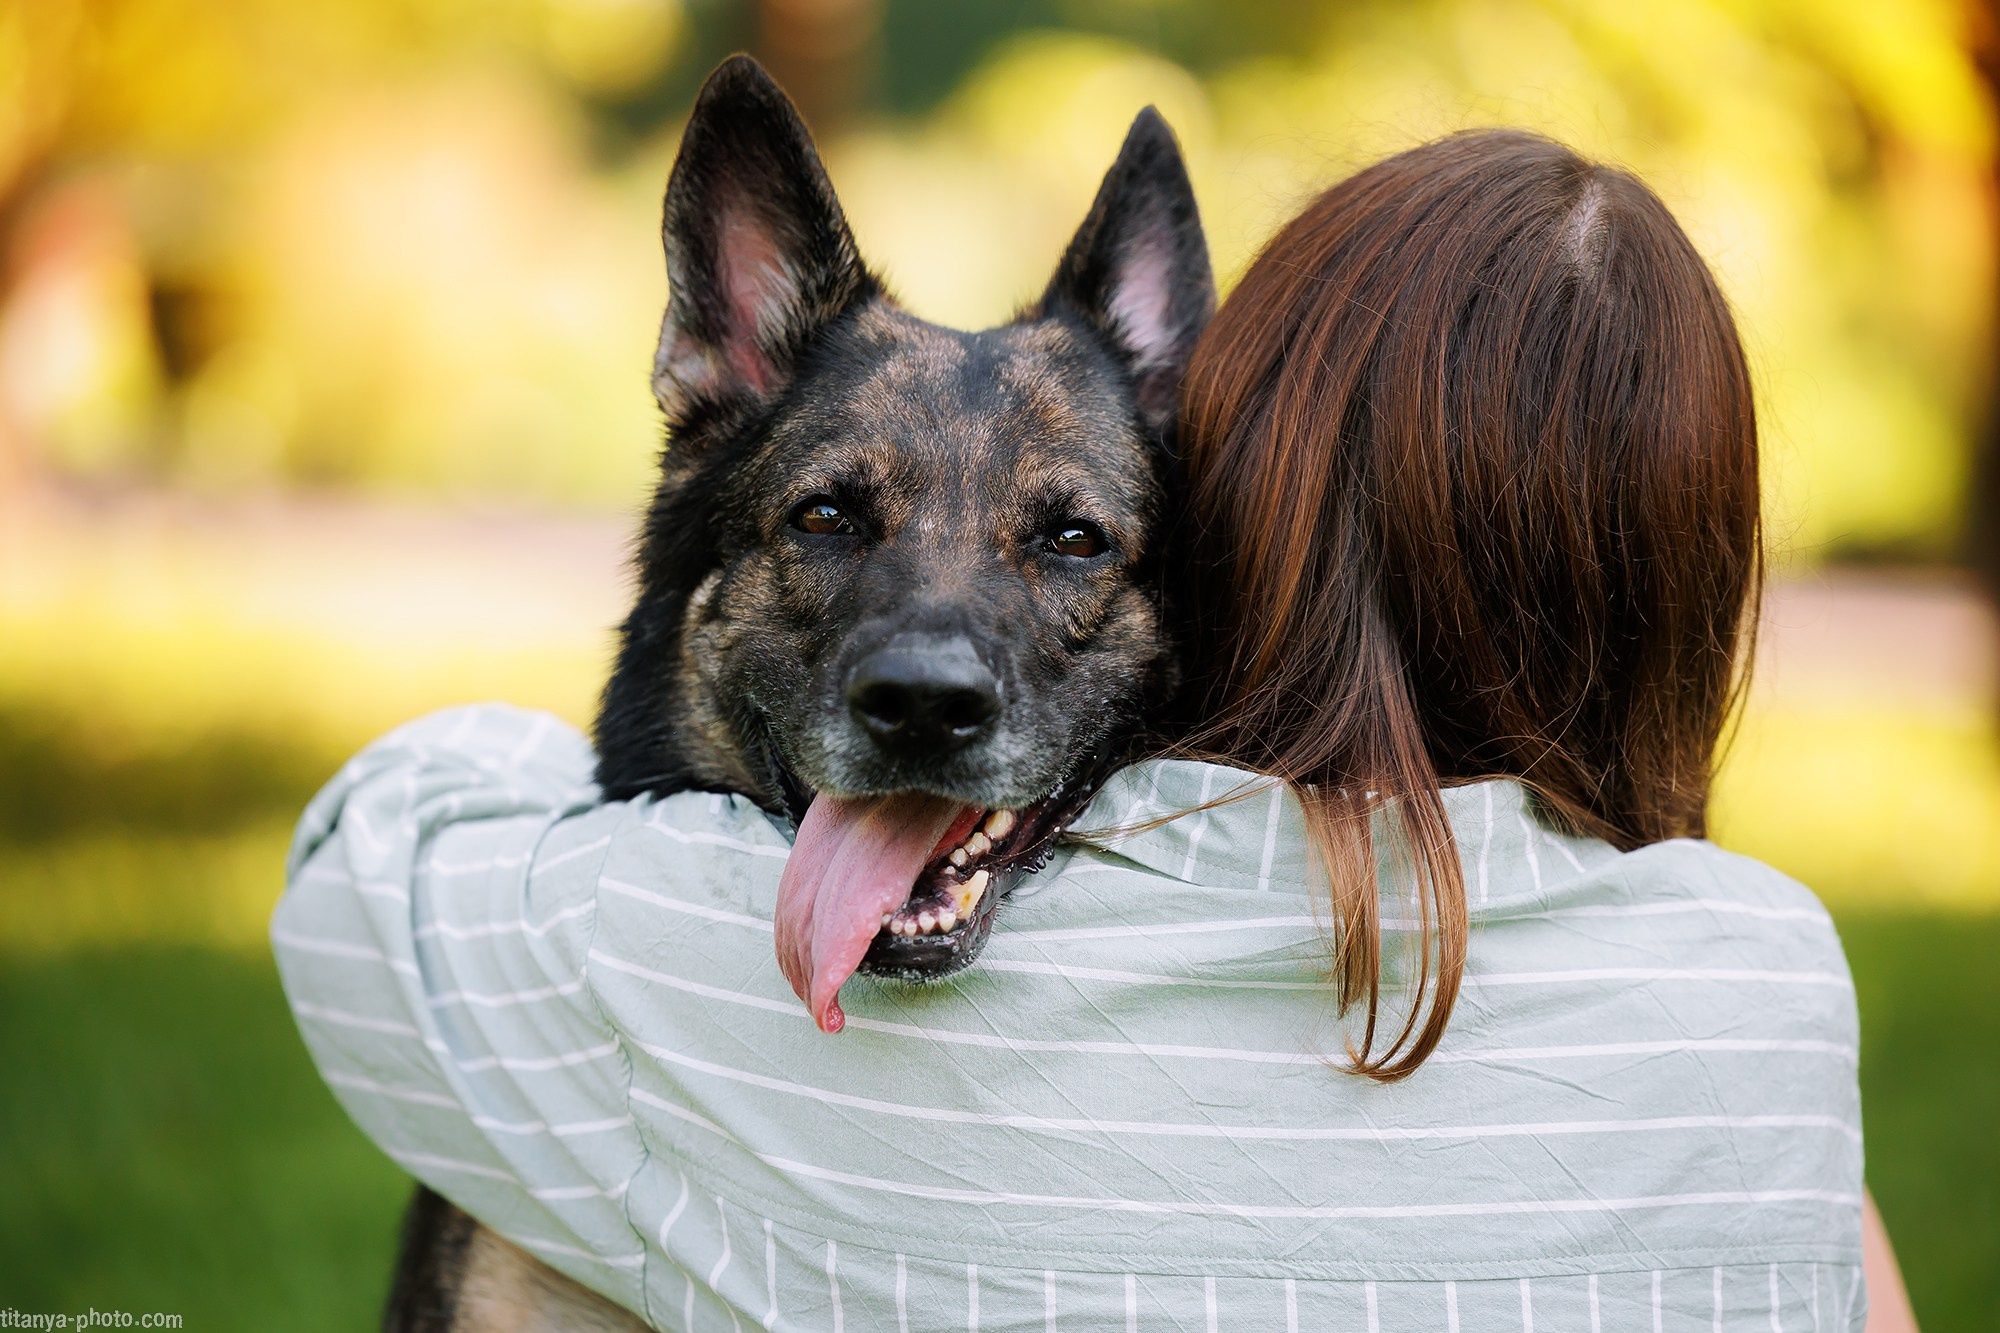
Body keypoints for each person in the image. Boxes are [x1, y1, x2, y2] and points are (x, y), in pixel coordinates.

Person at [275, 129, 1905, 1329]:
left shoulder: (668, 973)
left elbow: (361, 888)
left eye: (1066, 542)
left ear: (1258, 507)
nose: (931, 662)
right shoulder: (1768, 987)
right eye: (836, 514)